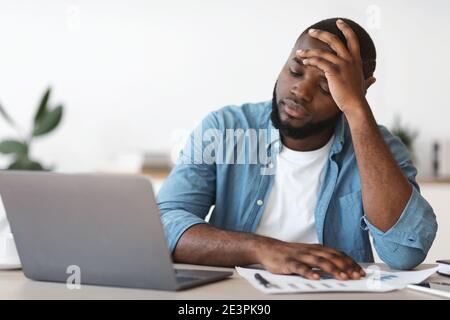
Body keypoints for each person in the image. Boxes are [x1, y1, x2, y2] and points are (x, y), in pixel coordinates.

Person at [156, 17, 437, 280]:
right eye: (295, 70)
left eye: (326, 87)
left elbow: (404, 252)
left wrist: (356, 109)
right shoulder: (224, 129)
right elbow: (164, 224)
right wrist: (261, 249)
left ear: (360, 89)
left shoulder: (382, 149)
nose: (300, 91)